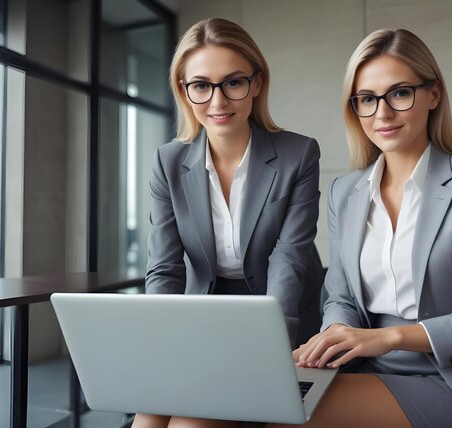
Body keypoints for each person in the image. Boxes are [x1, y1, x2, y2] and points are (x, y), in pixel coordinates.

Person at [286, 28, 452, 428]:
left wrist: (389, 337)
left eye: (399, 93)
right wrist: (331, 338)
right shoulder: (344, 192)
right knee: (248, 404)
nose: (382, 113)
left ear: (433, 94)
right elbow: (341, 297)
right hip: (362, 368)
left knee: (289, 418)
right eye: (367, 99)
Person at [135, 17, 324, 428]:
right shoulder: (168, 162)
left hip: (281, 313)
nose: (217, 101)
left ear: (256, 83)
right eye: (201, 85)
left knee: (188, 421)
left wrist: (274, 344)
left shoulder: (298, 154)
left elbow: (289, 258)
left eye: (233, 82)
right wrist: (159, 341)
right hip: (207, 313)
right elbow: (164, 267)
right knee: (148, 413)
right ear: (184, 92)